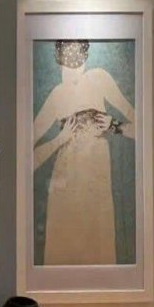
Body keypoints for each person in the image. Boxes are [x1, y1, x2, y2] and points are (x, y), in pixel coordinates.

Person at [33, 40, 134, 265]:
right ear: (59, 59)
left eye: (78, 58)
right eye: (67, 60)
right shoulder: (57, 95)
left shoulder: (99, 79)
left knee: (98, 252)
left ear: (85, 57)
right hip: (65, 185)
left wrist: (114, 126)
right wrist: (59, 140)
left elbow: (143, 127)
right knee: (63, 253)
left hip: (96, 183)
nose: (74, 69)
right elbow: (23, 154)